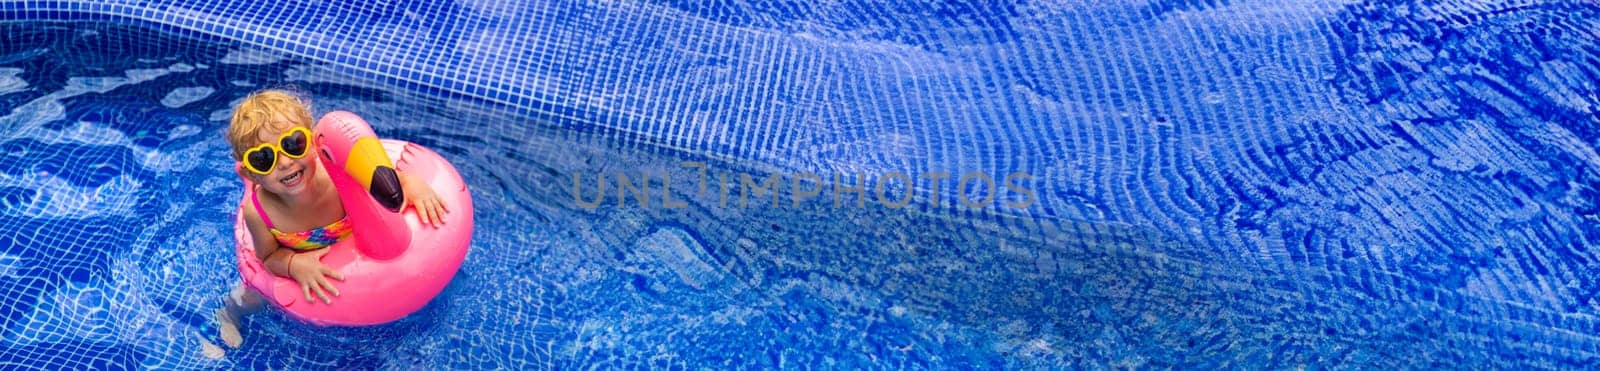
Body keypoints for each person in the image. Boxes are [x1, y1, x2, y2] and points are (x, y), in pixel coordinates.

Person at [213, 89, 450, 350]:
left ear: (314, 143)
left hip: (357, 249)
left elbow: (384, 184)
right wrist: (293, 264)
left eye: (293, 144)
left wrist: (411, 184)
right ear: (252, 174)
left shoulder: (336, 173)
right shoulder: (258, 213)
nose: (284, 162)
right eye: (263, 159)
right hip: (303, 254)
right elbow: (268, 258)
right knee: (251, 297)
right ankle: (227, 315)